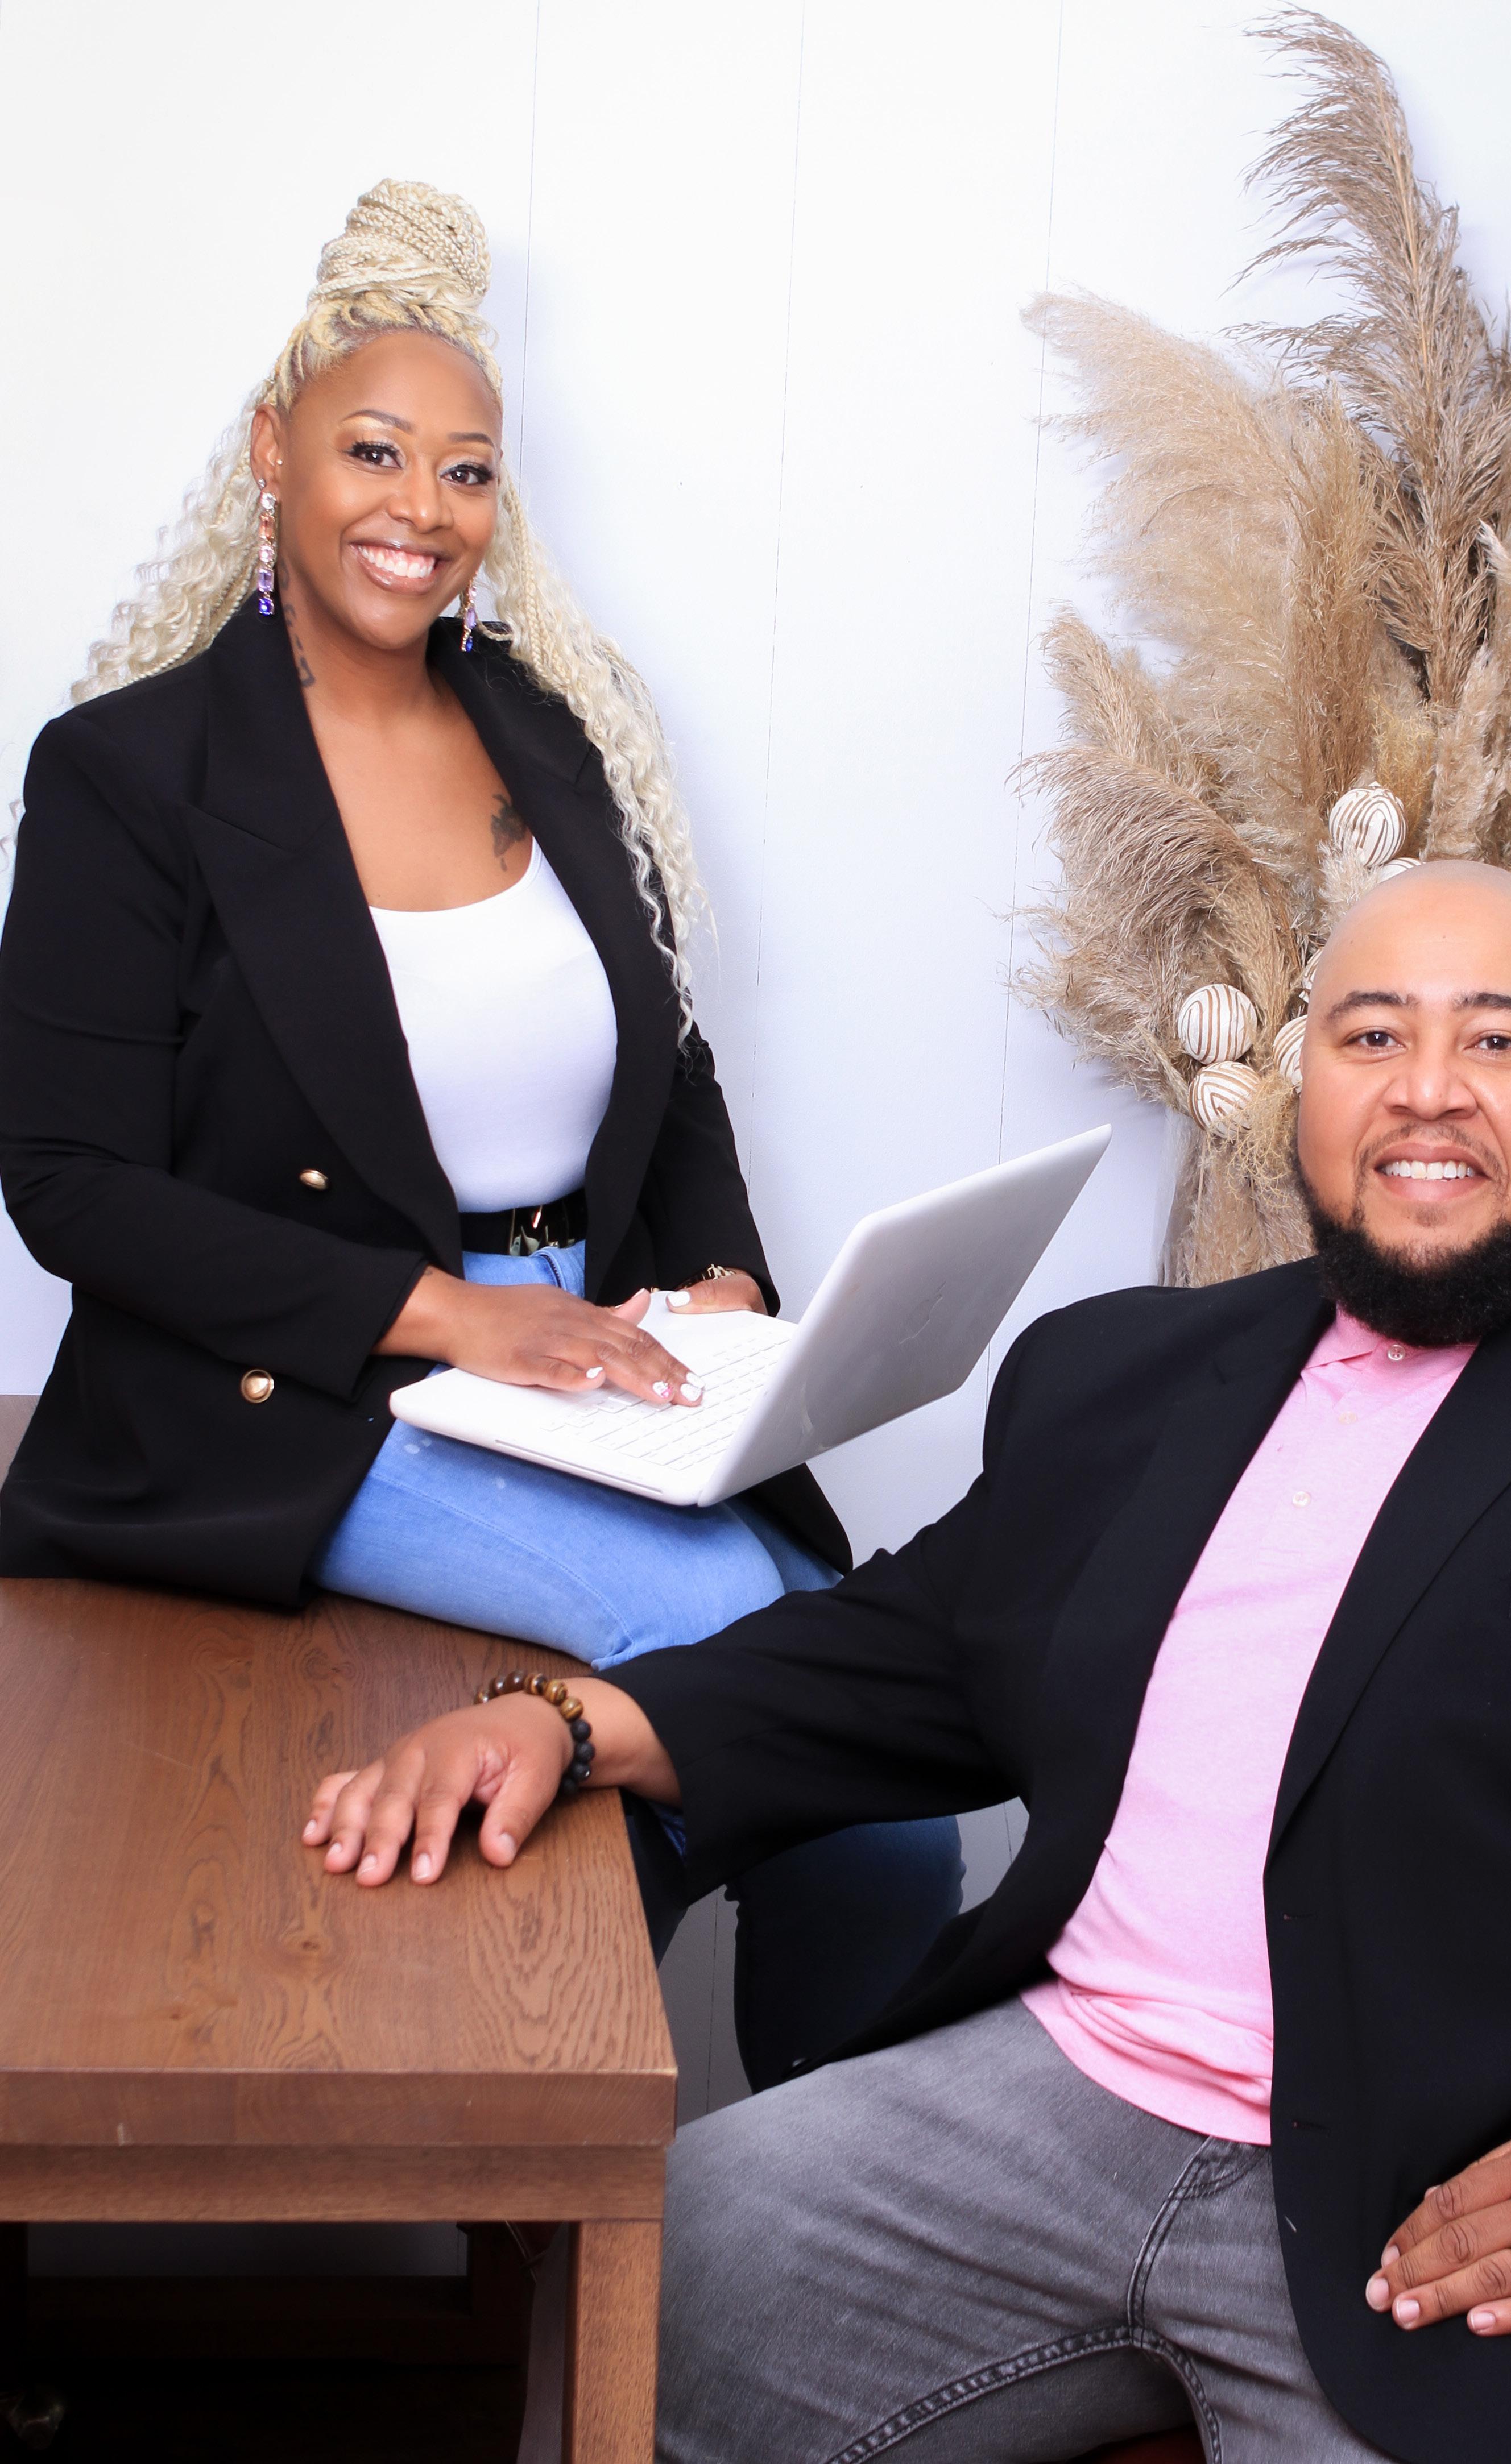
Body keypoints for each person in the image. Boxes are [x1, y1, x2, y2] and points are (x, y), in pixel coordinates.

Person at [307, 858, 1511, 2464]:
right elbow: (912, 1650)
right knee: (633, 2297)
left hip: (1458, 2197)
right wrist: (570, 1721)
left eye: (1495, 1040)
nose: (1427, 1091)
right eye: (1371, 1037)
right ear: (1303, 1078)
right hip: (1056, 2095)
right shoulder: (1131, 1369)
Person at [0, 179, 959, 2092]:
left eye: (464, 472)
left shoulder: (541, 725)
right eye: (372, 451)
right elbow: (72, 1190)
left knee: (890, 1760)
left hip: (593, 1353)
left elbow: (671, 1061)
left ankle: (799, 2208)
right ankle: (559, 2129)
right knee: (734, 1639)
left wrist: (721, 1284)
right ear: (272, 452)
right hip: (304, 1385)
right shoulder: (128, 775)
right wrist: (452, 1317)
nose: (419, 509)